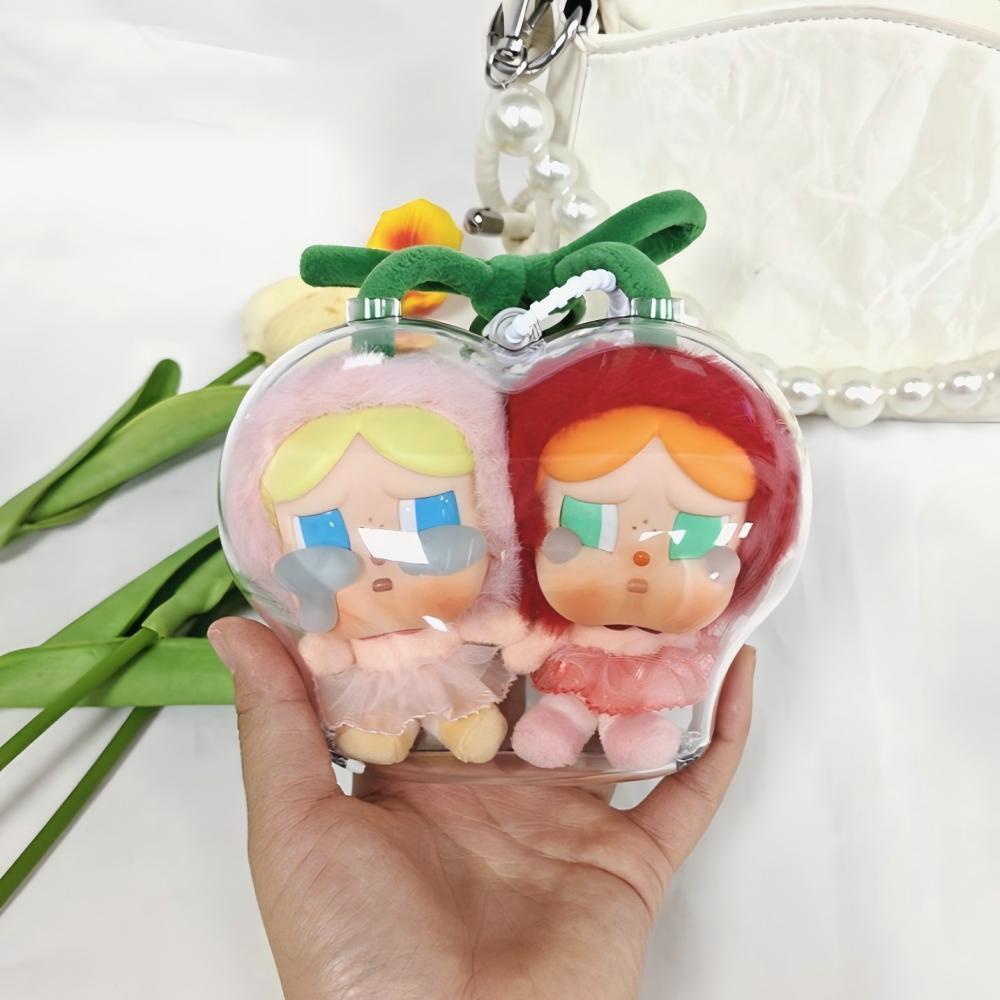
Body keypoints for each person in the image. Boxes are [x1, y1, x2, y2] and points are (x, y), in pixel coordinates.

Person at [208, 617, 756, 1000]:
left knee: (524, 704)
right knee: (450, 705)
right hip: (404, 671)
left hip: (610, 666)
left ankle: (598, 726)